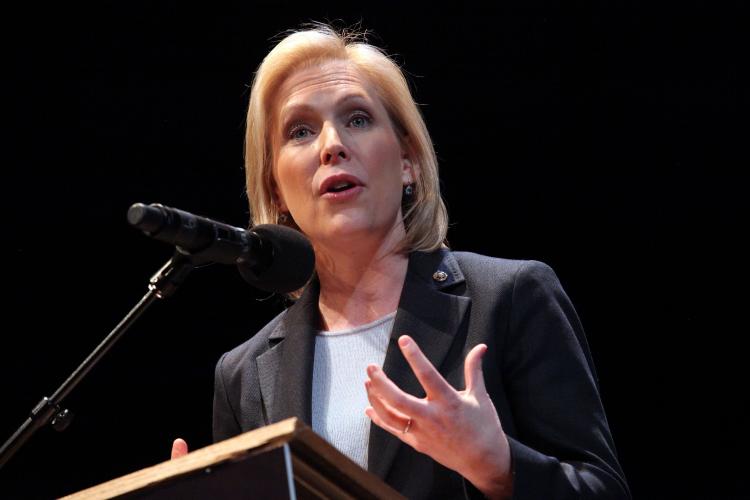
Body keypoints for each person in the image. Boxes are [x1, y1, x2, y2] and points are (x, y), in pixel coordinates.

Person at [172, 24, 630, 499]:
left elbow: (604, 490)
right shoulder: (243, 374)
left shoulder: (511, 298)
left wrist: (498, 467)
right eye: (300, 131)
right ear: (275, 189)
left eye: (357, 119)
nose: (332, 145)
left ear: (408, 160)